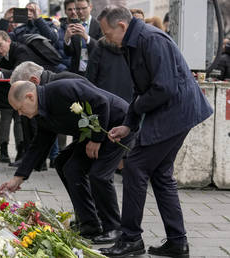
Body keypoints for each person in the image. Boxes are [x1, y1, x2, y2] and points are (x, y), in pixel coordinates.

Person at [97, 6, 213, 257]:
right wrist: (129, 123)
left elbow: (164, 88)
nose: (106, 39)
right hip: (174, 111)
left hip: (177, 111)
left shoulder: (150, 39)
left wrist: (136, 110)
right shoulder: (132, 43)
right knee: (160, 174)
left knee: (135, 166)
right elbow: (141, 88)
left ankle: (130, 239)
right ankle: (177, 242)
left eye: (107, 33)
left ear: (122, 27)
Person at [0, 74, 134, 244]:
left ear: (30, 96)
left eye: (20, 108)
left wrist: (96, 139)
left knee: (99, 174)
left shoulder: (61, 90)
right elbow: (40, 144)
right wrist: (18, 178)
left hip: (117, 125)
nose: (20, 114)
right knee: (65, 164)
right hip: (94, 132)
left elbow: (101, 102)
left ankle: (113, 227)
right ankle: (90, 223)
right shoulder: (41, 112)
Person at [0, 31, 59, 169]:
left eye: (0, 45)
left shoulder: (21, 50)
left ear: (8, 40)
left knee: (34, 126)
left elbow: (18, 75)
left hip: (39, 89)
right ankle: (31, 160)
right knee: (26, 124)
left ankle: (38, 161)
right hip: (29, 91)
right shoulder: (4, 54)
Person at [63, 0, 102, 75]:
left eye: (84, 8)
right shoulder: (73, 25)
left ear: (90, 7)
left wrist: (86, 37)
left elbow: (101, 50)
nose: (80, 12)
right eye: (77, 9)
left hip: (95, 71)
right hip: (77, 72)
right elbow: (68, 53)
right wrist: (67, 39)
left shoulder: (99, 26)